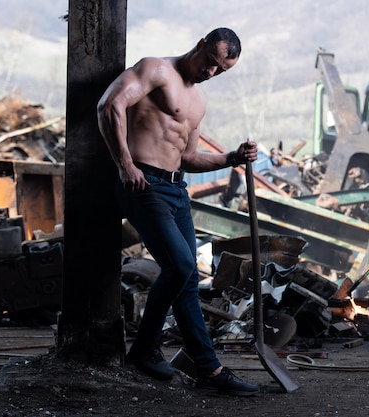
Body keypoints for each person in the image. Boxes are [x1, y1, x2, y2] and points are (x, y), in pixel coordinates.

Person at [97, 27, 260, 395]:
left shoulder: (198, 101)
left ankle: (210, 371)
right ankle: (144, 350)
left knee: (187, 280)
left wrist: (231, 157)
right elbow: (110, 105)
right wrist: (125, 164)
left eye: (221, 71)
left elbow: (186, 157)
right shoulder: (155, 69)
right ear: (200, 44)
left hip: (175, 187)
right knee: (182, 266)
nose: (210, 73)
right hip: (143, 182)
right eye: (210, 63)